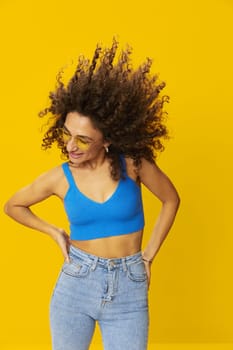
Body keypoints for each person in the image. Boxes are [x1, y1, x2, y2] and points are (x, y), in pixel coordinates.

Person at [4, 38, 180, 350]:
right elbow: (13, 205)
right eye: (68, 134)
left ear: (108, 139)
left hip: (130, 283)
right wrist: (52, 231)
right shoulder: (60, 177)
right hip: (76, 283)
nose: (71, 146)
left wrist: (149, 256)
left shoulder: (134, 164)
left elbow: (171, 199)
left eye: (83, 139)